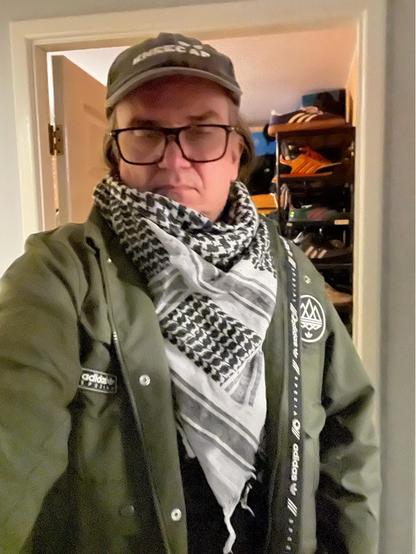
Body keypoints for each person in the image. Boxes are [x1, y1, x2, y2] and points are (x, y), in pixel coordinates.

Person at [0, 33, 380, 554]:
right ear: (116, 154)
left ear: (236, 152)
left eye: (202, 132)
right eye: (145, 133)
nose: (175, 162)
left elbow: (347, 440)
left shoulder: (292, 271)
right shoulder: (59, 273)